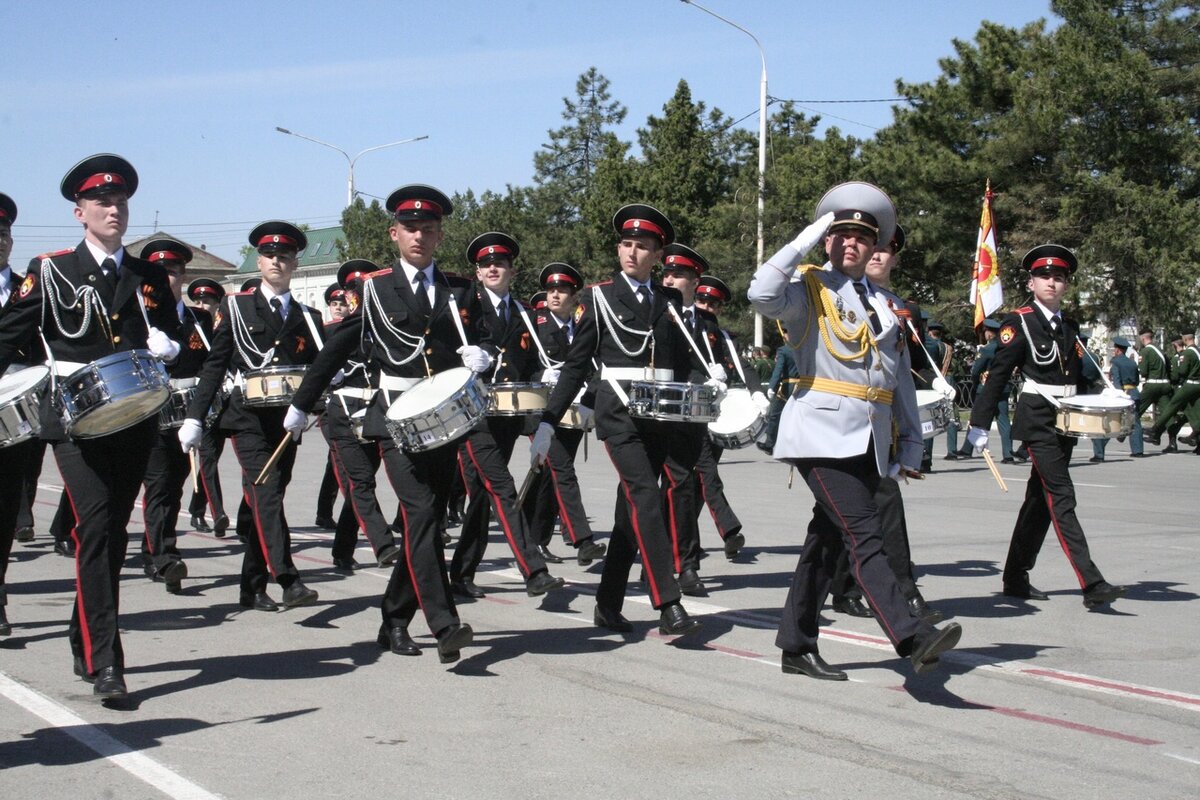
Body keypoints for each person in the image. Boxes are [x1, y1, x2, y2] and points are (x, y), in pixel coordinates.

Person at [748, 181, 963, 680]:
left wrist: (911, 442)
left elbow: (897, 383)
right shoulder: (806, 289)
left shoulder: (886, 306)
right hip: (819, 435)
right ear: (828, 239)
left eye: (862, 238)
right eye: (841, 234)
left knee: (825, 542)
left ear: (875, 247)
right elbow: (760, 291)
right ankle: (911, 635)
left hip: (869, 438)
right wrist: (807, 236)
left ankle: (796, 645)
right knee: (865, 535)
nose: (851, 244)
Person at [0, 154, 183, 700]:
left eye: (121, 201)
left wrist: (169, 345)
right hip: (76, 423)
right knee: (98, 530)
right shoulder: (51, 270)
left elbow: (173, 332)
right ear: (80, 212)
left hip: (135, 419)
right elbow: (7, 334)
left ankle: (85, 638)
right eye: (102, 202)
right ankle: (108, 661)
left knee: (107, 537)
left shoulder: (148, 275)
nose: (114, 209)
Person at [285, 184, 476, 663]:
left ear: (439, 235)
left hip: (445, 423)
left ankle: (393, 619)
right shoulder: (372, 289)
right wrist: (302, 403)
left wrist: (485, 354)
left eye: (428, 230)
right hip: (393, 420)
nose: (420, 236)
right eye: (411, 228)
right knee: (423, 516)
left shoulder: (458, 289)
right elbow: (335, 349)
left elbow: (485, 337)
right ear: (394, 234)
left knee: (424, 523)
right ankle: (444, 623)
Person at [534, 203, 705, 638]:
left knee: (631, 516)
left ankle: (607, 605)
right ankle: (667, 602)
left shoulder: (667, 300)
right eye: (626, 244)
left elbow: (681, 360)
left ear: (657, 254)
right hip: (618, 413)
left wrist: (710, 381)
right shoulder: (598, 296)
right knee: (647, 496)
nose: (632, 252)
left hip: (660, 414)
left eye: (642, 246)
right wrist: (550, 420)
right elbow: (576, 365)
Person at [966, 244, 1127, 609]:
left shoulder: (1068, 325)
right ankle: (1092, 582)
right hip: (1038, 418)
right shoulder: (1018, 322)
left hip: (1066, 419)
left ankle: (1015, 575)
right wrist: (979, 423)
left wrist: (1108, 397)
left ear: (1066, 284)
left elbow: (1081, 375)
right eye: (1044, 277)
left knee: (1039, 502)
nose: (1051, 283)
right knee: (1062, 496)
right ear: (1031, 282)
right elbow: (998, 377)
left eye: (1058, 278)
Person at [179, 221, 323, 613]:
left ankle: (251, 586)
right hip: (246, 419)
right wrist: (195, 416)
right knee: (267, 495)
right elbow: (215, 364)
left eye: (285, 256)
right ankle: (288, 579)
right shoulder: (237, 308)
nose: (277, 261)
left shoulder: (308, 317)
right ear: (259, 262)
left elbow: (317, 368)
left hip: (287, 421)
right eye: (271, 256)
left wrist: (316, 399)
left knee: (265, 500)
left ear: (295, 263)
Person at [827, 223, 944, 623]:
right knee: (880, 505)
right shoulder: (830, 293)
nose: (876, 255)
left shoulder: (902, 310)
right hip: (837, 421)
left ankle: (841, 588)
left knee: (840, 519)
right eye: (872, 247)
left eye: (885, 250)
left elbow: (902, 375)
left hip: (882, 422)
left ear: (894, 257)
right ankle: (905, 595)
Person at [447, 232, 565, 599]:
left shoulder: (524, 314)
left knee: (484, 497)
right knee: (502, 487)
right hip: (472, 415)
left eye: (499, 263)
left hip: (509, 415)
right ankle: (533, 570)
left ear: (512, 270)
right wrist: (465, 358)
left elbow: (530, 361)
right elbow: (442, 352)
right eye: (485, 264)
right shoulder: (463, 305)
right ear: (478, 273)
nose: (492, 268)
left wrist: (544, 374)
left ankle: (461, 573)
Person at [138, 239, 214, 593]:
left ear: (184, 275)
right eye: (162, 272)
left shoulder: (198, 318)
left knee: (177, 483)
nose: (168, 278)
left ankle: (152, 547)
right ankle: (164, 556)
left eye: (173, 271)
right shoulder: (141, 318)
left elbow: (209, 361)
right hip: (152, 411)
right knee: (158, 484)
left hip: (187, 413)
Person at [521, 263, 607, 566]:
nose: (555, 295)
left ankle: (534, 539)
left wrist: (591, 397)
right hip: (542, 409)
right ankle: (582, 540)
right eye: (551, 290)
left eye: (562, 290)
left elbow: (598, 364)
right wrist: (541, 375)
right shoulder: (533, 323)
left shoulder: (583, 327)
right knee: (561, 471)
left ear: (574, 296)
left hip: (572, 409)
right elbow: (517, 361)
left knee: (547, 477)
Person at [657, 242, 730, 595]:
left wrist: (721, 375)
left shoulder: (706, 322)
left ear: (694, 280)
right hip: (653, 413)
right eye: (667, 273)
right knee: (642, 497)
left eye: (678, 274)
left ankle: (685, 564)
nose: (670, 279)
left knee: (682, 488)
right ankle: (651, 558)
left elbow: (719, 360)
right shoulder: (655, 311)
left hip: (690, 416)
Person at [319, 261, 400, 571]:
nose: (357, 298)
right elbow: (311, 372)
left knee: (361, 484)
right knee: (360, 482)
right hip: (341, 411)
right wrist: (329, 376)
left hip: (375, 411)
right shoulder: (330, 331)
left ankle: (342, 549)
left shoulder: (387, 328)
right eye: (354, 292)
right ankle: (383, 544)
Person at [691, 273, 769, 561]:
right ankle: (729, 530)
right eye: (702, 299)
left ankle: (686, 541)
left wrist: (757, 393)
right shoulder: (682, 329)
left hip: (715, 415)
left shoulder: (722, 338)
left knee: (697, 483)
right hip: (687, 416)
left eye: (713, 303)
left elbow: (744, 367)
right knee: (706, 474)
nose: (706, 306)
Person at [184, 278, 230, 535]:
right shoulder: (192, 329)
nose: (202, 305)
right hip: (199, 402)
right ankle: (218, 513)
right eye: (198, 301)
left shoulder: (227, 328)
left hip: (223, 400)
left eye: (208, 302)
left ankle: (197, 507)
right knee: (208, 457)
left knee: (211, 459)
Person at [314, 282, 351, 531]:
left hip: (351, 401)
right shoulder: (322, 331)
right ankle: (356, 508)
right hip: (328, 403)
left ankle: (323, 512)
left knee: (334, 460)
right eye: (334, 304)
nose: (339, 308)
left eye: (343, 304)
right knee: (341, 458)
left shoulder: (355, 328)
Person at [966, 319, 1017, 462]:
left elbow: (976, 370)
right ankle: (1008, 453)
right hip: (1003, 387)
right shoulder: (1006, 347)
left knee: (977, 417)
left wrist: (975, 383)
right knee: (1003, 420)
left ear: (989, 333)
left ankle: (967, 449)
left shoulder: (987, 349)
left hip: (987, 388)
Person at [1091, 337, 1144, 461]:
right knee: (1135, 422)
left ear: (1118, 350)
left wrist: (1117, 396)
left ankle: (1099, 453)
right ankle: (1138, 450)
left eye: (1115, 349)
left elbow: (1116, 382)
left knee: (1111, 423)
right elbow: (1136, 380)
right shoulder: (1132, 362)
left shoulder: (1116, 362)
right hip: (1134, 393)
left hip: (1122, 394)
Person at [1145, 332, 1200, 451]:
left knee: (1172, 407)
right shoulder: (1197, 351)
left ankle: (1156, 429)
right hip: (1197, 385)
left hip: (1187, 386)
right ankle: (1194, 438)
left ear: (1184, 339)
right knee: (1194, 413)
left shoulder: (1187, 353)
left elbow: (1181, 372)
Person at [1135, 328, 1178, 451]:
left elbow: (1143, 371)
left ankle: (1124, 433)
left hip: (1152, 385)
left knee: (1136, 409)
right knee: (1167, 415)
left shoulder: (1145, 351)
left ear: (1143, 338)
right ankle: (1172, 443)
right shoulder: (1160, 350)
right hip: (1165, 385)